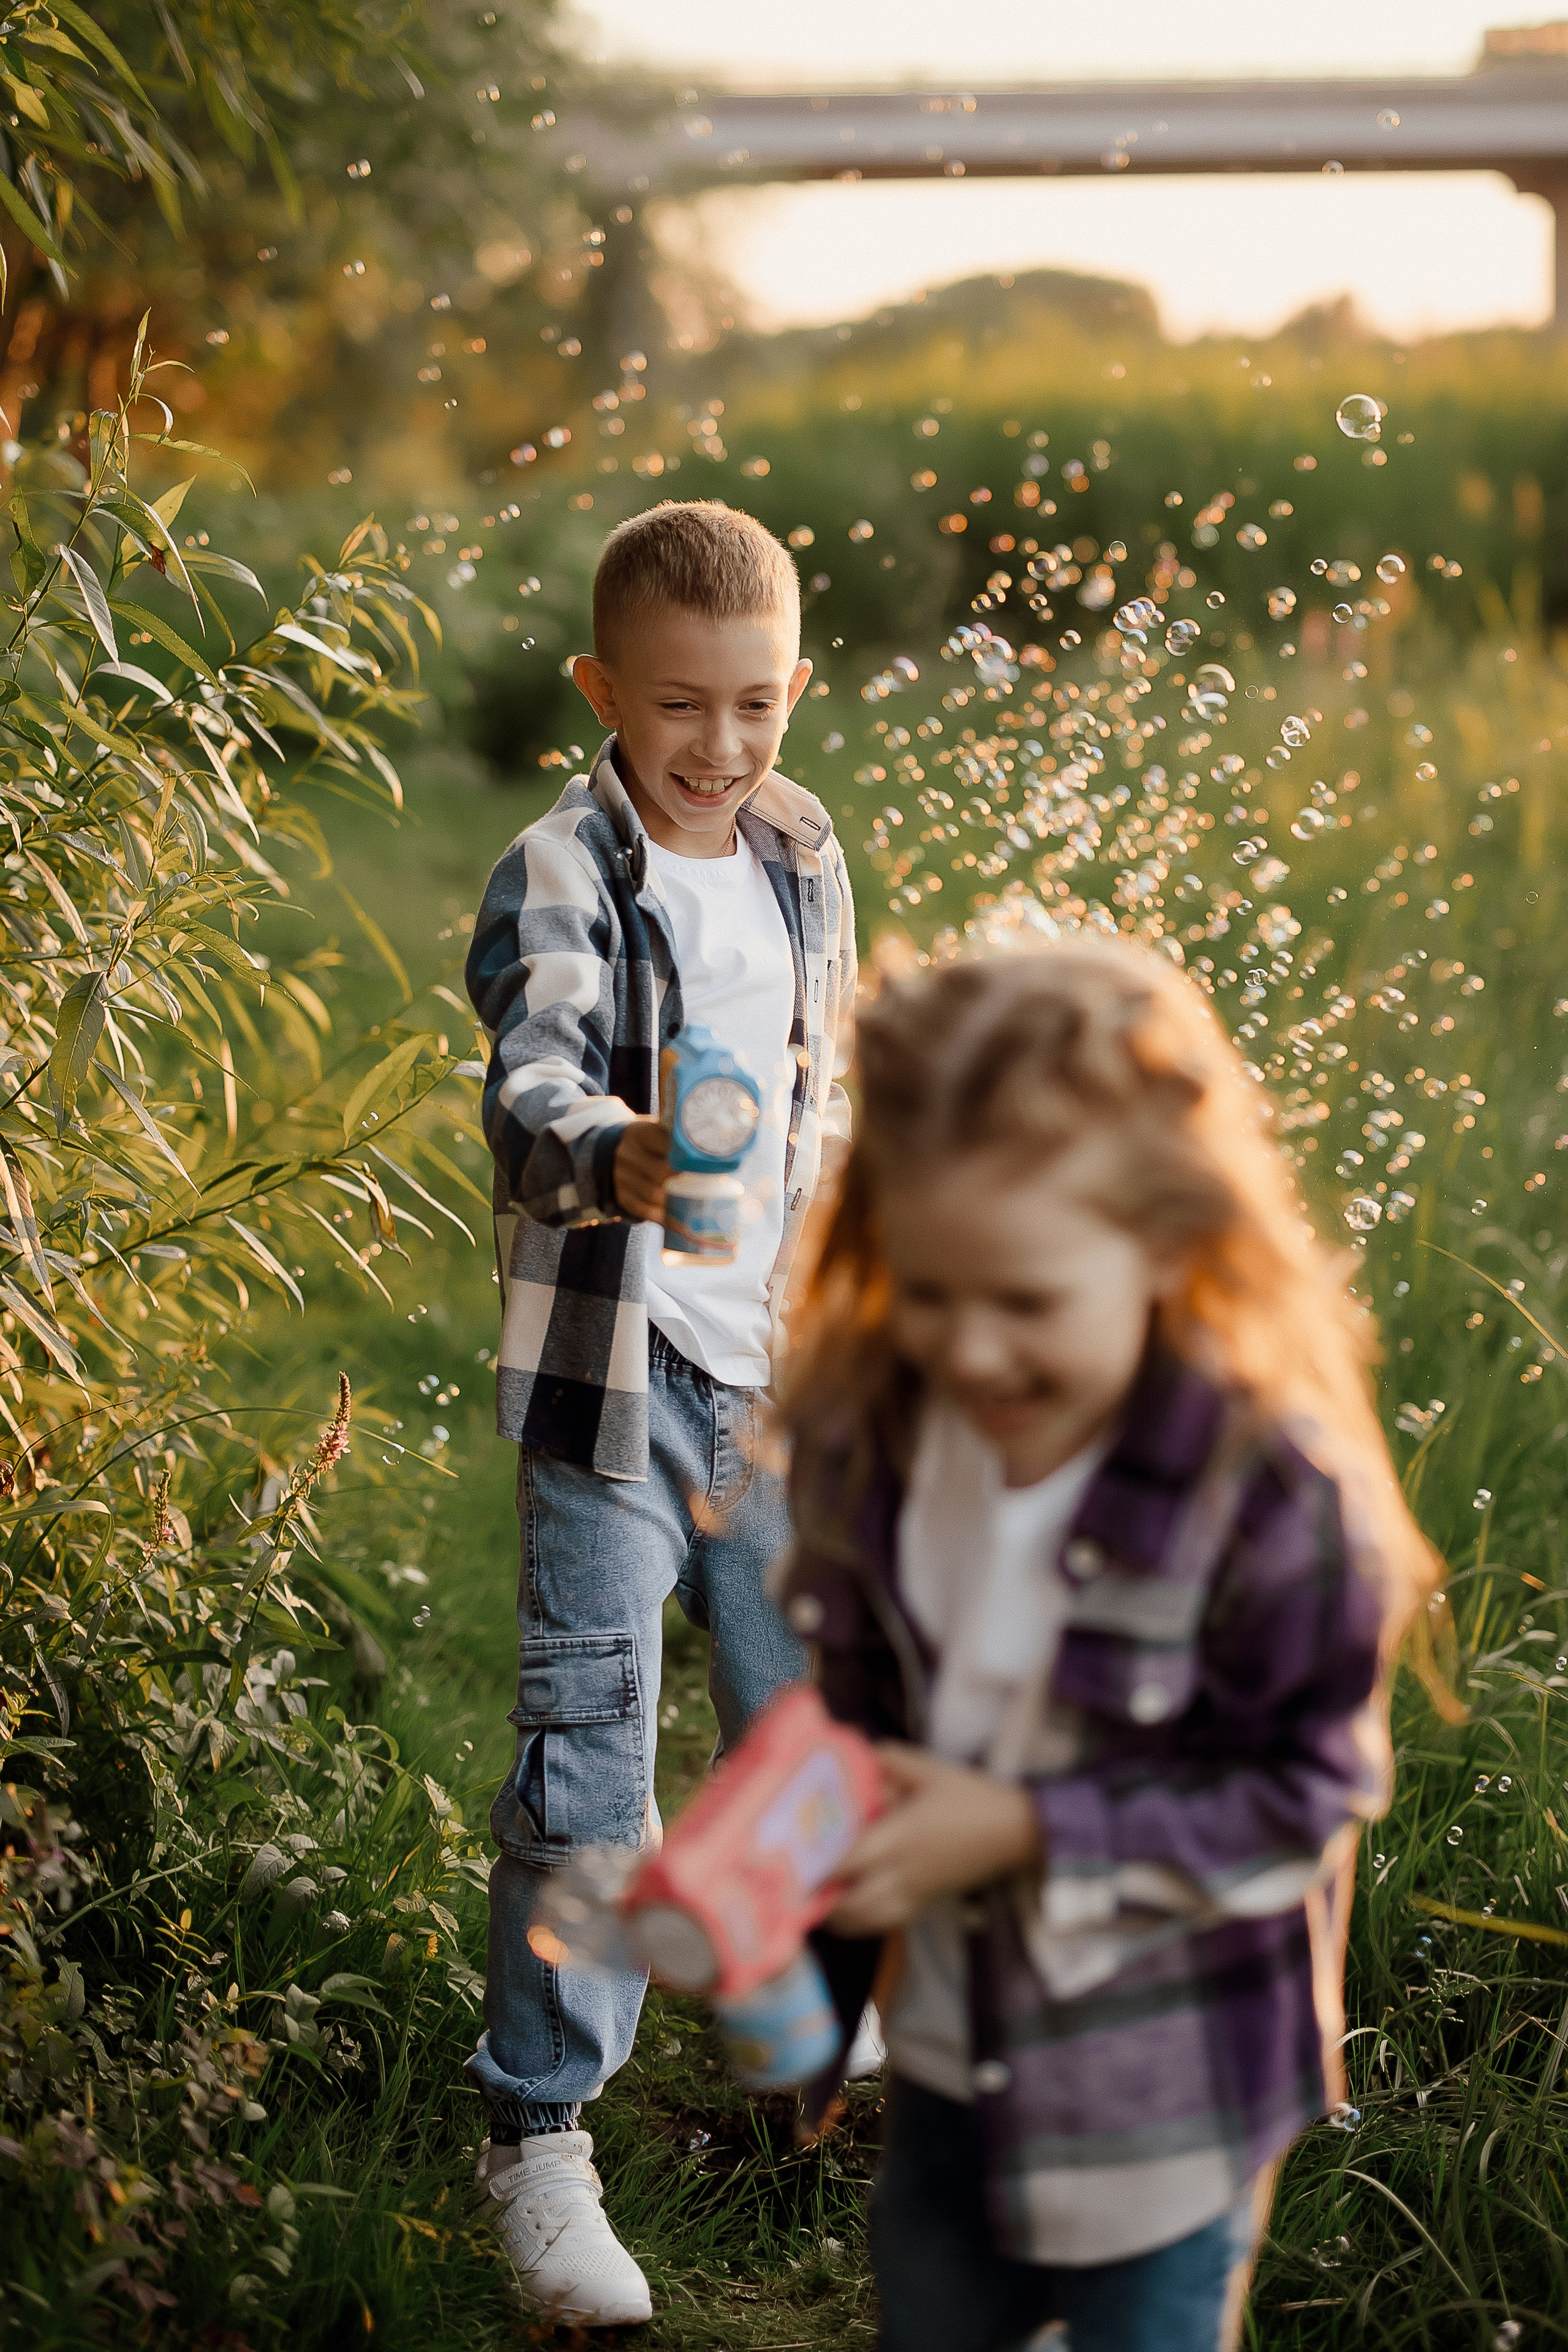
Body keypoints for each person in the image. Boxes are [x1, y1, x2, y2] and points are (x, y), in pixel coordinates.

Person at [772, 936, 1438, 2352]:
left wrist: (1022, 1828)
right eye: (928, 1290)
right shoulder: (873, 1438)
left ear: (1164, 1244)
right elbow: (860, 1721)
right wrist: (772, 1894)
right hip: (949, 2069)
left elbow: (1302, 1795)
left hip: (1162, 2110)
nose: (970, 1351)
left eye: (1026, 1303)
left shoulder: (1259, 1495)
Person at [461, 500, 856, 2324]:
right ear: (603, 690)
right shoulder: (563, 869)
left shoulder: (801, 847)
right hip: (618, 1388)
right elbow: (531, 1066)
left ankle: (805, 2061)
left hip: (776, 1375)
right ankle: (540, 2131)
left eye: (758, 704)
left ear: (796, 693)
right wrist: (611, 1151)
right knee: (594, 1751)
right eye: (681, 706)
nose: (721, 747)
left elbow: (816, 1101)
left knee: (803, 1733)